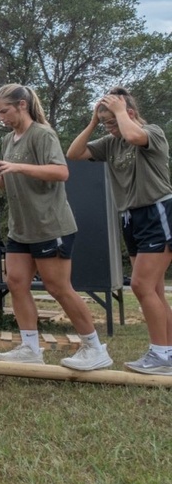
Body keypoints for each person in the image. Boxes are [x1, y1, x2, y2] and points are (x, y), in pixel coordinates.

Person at [0, 84, 113, 370]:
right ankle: (30, 347)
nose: (0, 117)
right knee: (15, 282)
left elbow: (60, 172)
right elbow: (7, 179)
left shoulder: (42, 134)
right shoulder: (8, 140)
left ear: (22, 106)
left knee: (58, 287)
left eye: (4, 111)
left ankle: (94, 347)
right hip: (21, 228)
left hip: (50, 225)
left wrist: (19, 168)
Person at [67, 87, 172, 375]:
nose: (110, 128)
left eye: (112, 121)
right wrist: (93, 123)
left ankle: (161, 355)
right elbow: (74, 153)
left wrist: (120, 113)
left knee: (140, 286)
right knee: (155, 291)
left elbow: (134, 136)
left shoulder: (151, 132)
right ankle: (168, 353)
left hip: (157, 211)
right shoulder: (111, 143)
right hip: (131, 216)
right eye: (106, 123)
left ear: (131, 113)